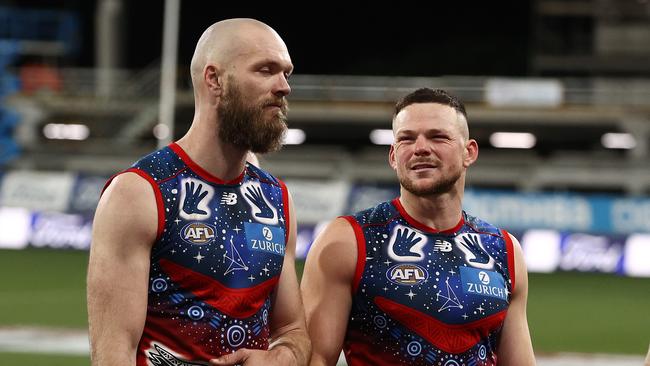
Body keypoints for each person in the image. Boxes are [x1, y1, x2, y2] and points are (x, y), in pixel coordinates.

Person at [87, 18, 310, 366]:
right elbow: (113, 353)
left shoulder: (276, 199)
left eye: (286, 73)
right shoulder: (140, 193)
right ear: (214, 79)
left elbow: (293, 330)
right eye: (266, 70)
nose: (283, 87)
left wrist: (280, 357)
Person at [301, 88, 536, 366]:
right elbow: (313, 359)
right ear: (392, 156)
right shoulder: (349, 240)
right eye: (406, 139)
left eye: (438, 136)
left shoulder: (503, 250)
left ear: (469, 152)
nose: (420, 147)